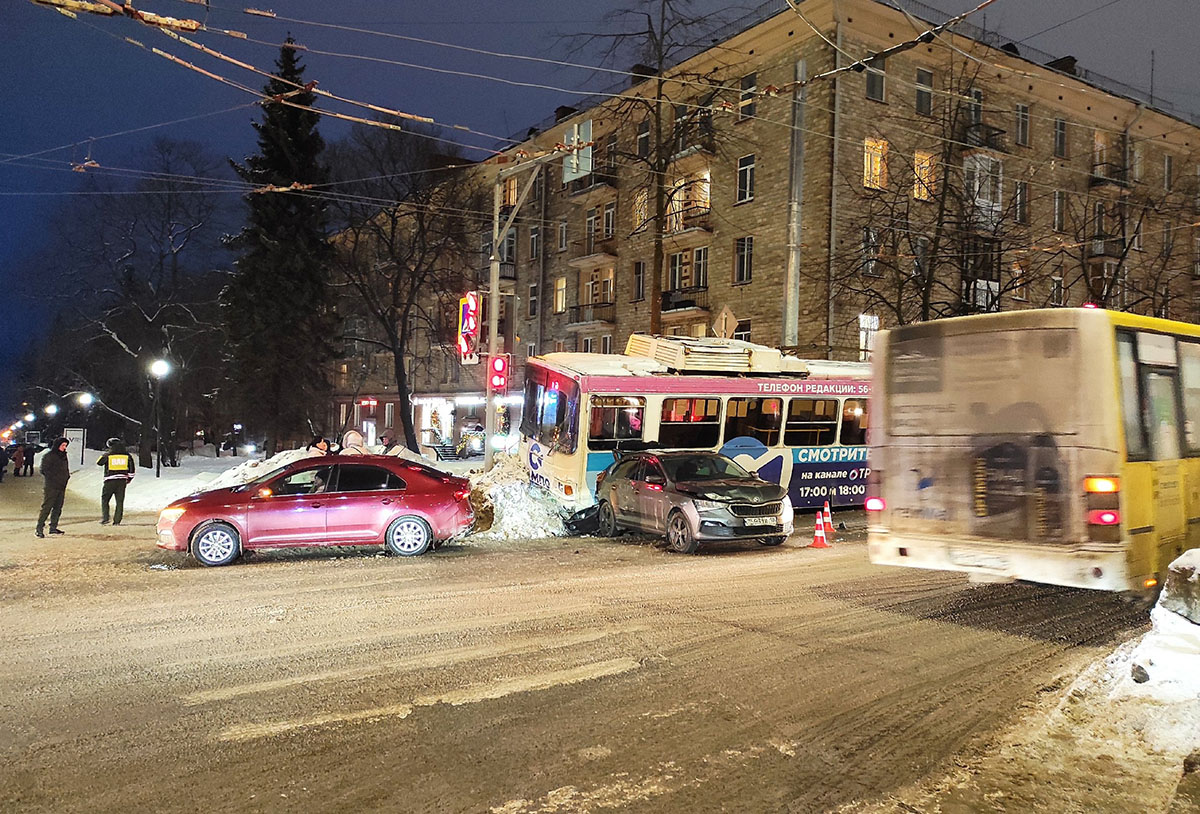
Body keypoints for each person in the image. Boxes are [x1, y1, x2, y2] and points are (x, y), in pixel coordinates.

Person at [96, 437, 136, 526]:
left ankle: (105, 518)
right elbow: (132, 469)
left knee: (105, 499)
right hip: (122, 481)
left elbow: (99, 462)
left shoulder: (108, 455)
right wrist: (129, 478)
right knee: (120, 501)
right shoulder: (127, 455)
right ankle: (117, 520)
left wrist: (106, 453)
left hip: (109, 480)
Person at [36, 437, 71, 538]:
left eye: (66, 445)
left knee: (58, 508)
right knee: (47, 507)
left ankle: (53, 527)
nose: (65, 447)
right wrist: (55, 478)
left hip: (61, 486)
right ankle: (39, 528)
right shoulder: (49, 456)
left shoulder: (64, 456)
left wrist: (66, 477)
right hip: (52, 486)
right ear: (57, 445)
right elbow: (43, 470)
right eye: (63, 445)